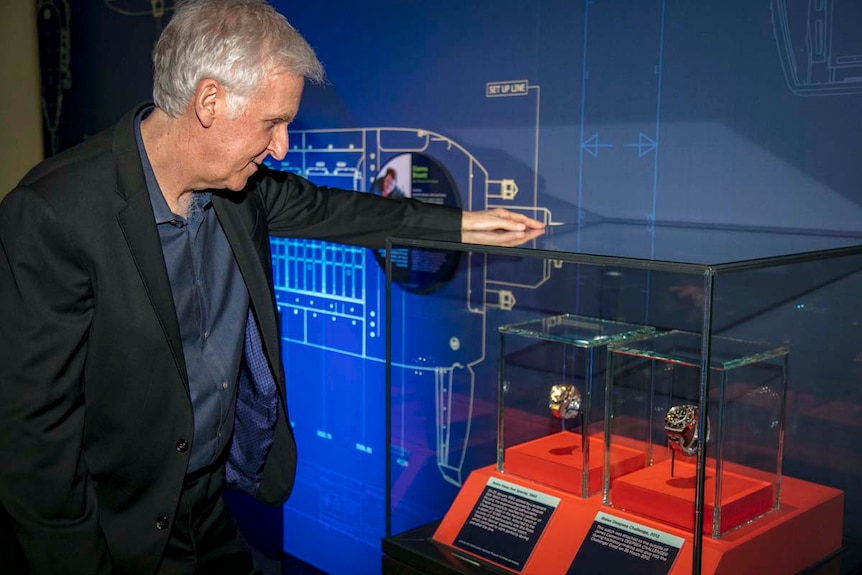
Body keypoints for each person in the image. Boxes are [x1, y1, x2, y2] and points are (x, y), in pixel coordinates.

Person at [0, 1, 544, 573]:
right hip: (114, 531)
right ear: (209, 101)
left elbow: (333, 211)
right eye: (272, 122)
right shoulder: (53, 216)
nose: (281, 147)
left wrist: (458, 225)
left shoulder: (241, 191)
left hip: (212, 511)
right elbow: (35, 443)